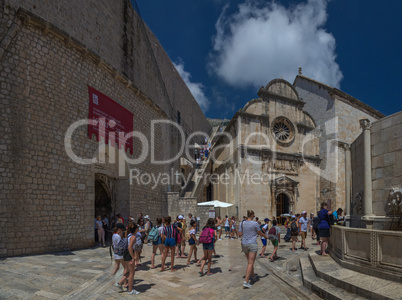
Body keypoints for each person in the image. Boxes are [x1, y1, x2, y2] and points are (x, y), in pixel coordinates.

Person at [239, 210, 268, 288]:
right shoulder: (255, 223)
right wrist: (266, 237)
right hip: (252, 244)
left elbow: (239, 234)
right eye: (254, 214)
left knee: (249, 262)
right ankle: (246, 281)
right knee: (250, 263)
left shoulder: (242, 223)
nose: (254, 215)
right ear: (252, 215)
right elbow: (260, 233)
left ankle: (253, 276)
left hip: (244, 244)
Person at [125, 222, 140, 295]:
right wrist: (133, 257)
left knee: (128, 271)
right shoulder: (133, 237)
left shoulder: (129, 235)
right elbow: (130, 247)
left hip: (126, 254)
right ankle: (130, 290)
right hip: (129, 254)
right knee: (132, 273)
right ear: (136, 229)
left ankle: (122, 283)